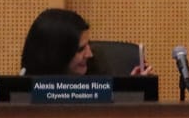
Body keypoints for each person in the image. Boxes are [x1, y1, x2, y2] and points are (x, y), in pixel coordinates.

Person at [20, 8, 152, 76]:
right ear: (56, 53)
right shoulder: (25, 93)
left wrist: (132, 90)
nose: (90, 54)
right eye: (80, 49)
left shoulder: (98, 80)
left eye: (88, 45)